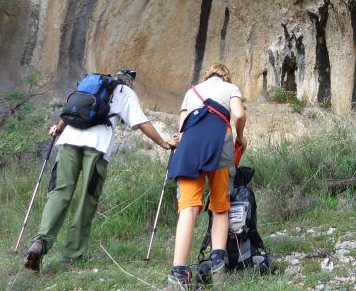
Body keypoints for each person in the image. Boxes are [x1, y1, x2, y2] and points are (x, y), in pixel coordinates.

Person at [25, 69, 174, 271]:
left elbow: (69, 112)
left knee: (60, 192)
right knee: (87, 198)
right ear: (129, 82)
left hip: (69, 141)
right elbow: (141, 122)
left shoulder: (89, 85)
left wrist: (58, 129)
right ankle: (71, 255)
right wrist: (163, 143)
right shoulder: (124, 92)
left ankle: (40, 242)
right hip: (96, 147)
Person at [167, 63, 247, 289]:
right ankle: (217, 270)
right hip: (220, 140)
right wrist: (240, 137)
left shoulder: (191, 92)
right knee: (220, 205)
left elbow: (182, 128)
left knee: (189, 207)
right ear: (226, 75)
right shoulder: (230, 87)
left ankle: (179, 275)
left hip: (191, 145)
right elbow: (239, 114)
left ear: (207, 75)